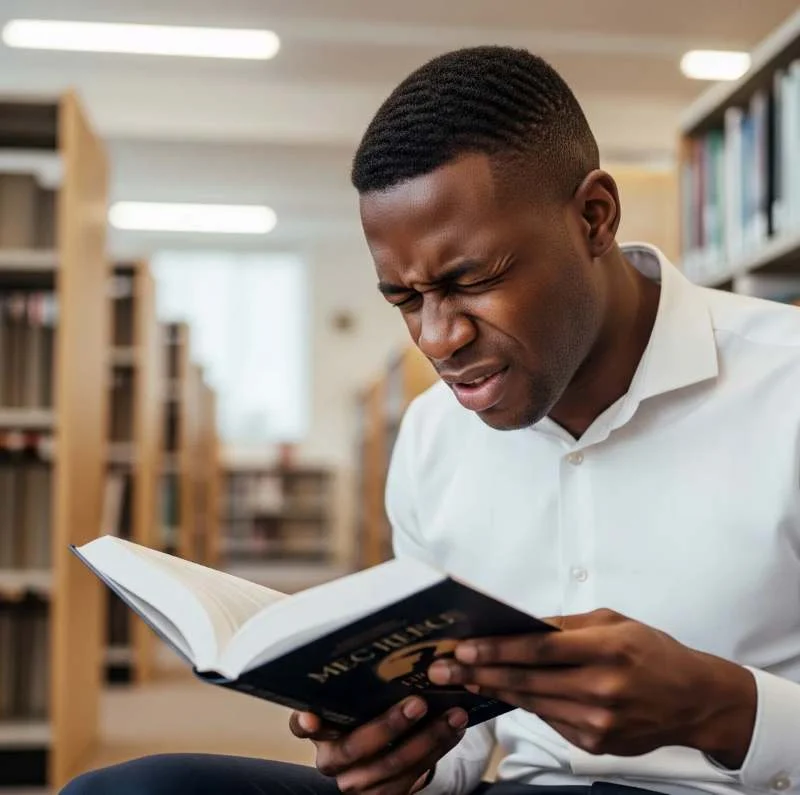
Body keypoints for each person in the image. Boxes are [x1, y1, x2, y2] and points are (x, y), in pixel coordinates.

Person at [62, 45, 800, 795]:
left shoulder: (786, 386)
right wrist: (398, 757)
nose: (439, 338)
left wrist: (723, 710)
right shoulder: (430, 434)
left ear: (593, 217)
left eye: (473, 279)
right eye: (405, 300)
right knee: (134, 791)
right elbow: (461, 752)